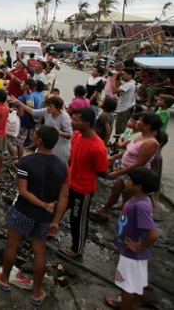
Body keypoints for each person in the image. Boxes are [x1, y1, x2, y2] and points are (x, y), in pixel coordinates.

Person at [0, 125, 69, 307]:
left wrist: (42, 204)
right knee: (39, 251)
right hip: (45, 218)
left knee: (12, 245)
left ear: (39, 141)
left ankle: (4, 278)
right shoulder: (63, 166)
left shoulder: (27, 161)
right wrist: (55, 220)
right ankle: (36, 292)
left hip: (23, 211)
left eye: (34, 134)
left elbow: (23, 192)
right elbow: (64, 196)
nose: (32, 135)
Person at [104, 168, 159, 310]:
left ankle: (126, 306)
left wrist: (138, 247)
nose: (126, 181)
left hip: (132, 255)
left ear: (138, 186)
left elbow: (153, 234)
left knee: (126, 285)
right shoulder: (137, 198)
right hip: (129, 252)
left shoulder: (141, 206)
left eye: (128, 179)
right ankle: (129, 305)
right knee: (133, 284)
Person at [91, 112, 162, 221]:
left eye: (140, 121)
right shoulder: (140, 135)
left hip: (136, 175)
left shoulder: (151, 143)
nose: (137, 122)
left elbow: (140, 163)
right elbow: (129, 151)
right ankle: (108, 210)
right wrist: (114, 158)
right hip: (126, 170)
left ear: (147, 126)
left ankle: (125, 218)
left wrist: (119, 172)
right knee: (116, 190)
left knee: (130, 195)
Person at [61, 108, 109, 259]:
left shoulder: (97, 147)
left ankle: (77, 248)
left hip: (83, 189)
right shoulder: (77, 136)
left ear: (87, 124)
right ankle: (49, 231)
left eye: (76, 120)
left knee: (77, 219)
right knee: (58, 208)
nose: (72, 122)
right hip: (69, 183)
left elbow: (102, 171)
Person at [10, 95, 72, 163]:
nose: (48, 108)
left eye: (50, 106)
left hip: (60, 147)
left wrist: (59, 132)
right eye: (47, 105)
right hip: (48, 145)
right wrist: (19, 102)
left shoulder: (64, 117)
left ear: (57, 108)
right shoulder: (46, 111)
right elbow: (33, 112)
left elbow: (69, 135)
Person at [111, 68, 137, 135]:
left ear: (130, 75)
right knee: (120, 126)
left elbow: (114, 90)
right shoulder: (127, 83)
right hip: (125, 107)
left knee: (120, 127)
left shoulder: (130, 84)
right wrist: (117, 78)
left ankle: (120, 143)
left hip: (124, 109)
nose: (122, 76)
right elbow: (118, 86)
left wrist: (113, 78)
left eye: (123, 74)